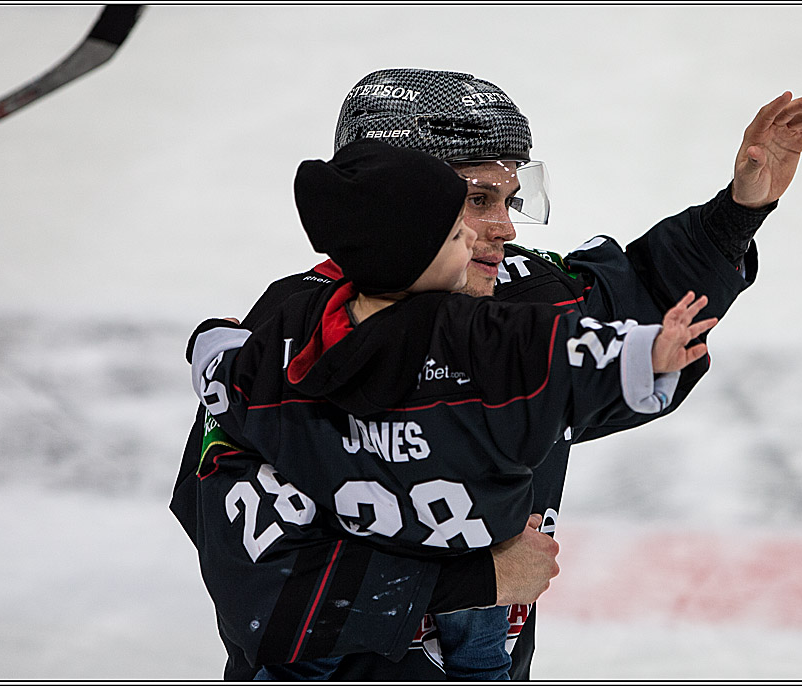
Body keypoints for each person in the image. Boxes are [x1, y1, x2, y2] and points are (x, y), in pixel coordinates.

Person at [169, 68, 802, 680]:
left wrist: (740, 209)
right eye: (478, 199)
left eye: (511, 198)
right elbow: (256, 580)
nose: (505, 228)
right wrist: (473, 581)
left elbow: (643, 300)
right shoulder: (286, 343)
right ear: (394, 203)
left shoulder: (523, 293)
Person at [187, 138, 716, 680]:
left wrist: (212, 345)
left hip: (447, 578)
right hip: (460, 569)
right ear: (401, 247)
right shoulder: (453, 330)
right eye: (465, 217)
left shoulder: (294, 337)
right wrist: (481, 579)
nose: (496, 233)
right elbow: (559, 350)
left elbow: (228, 376)